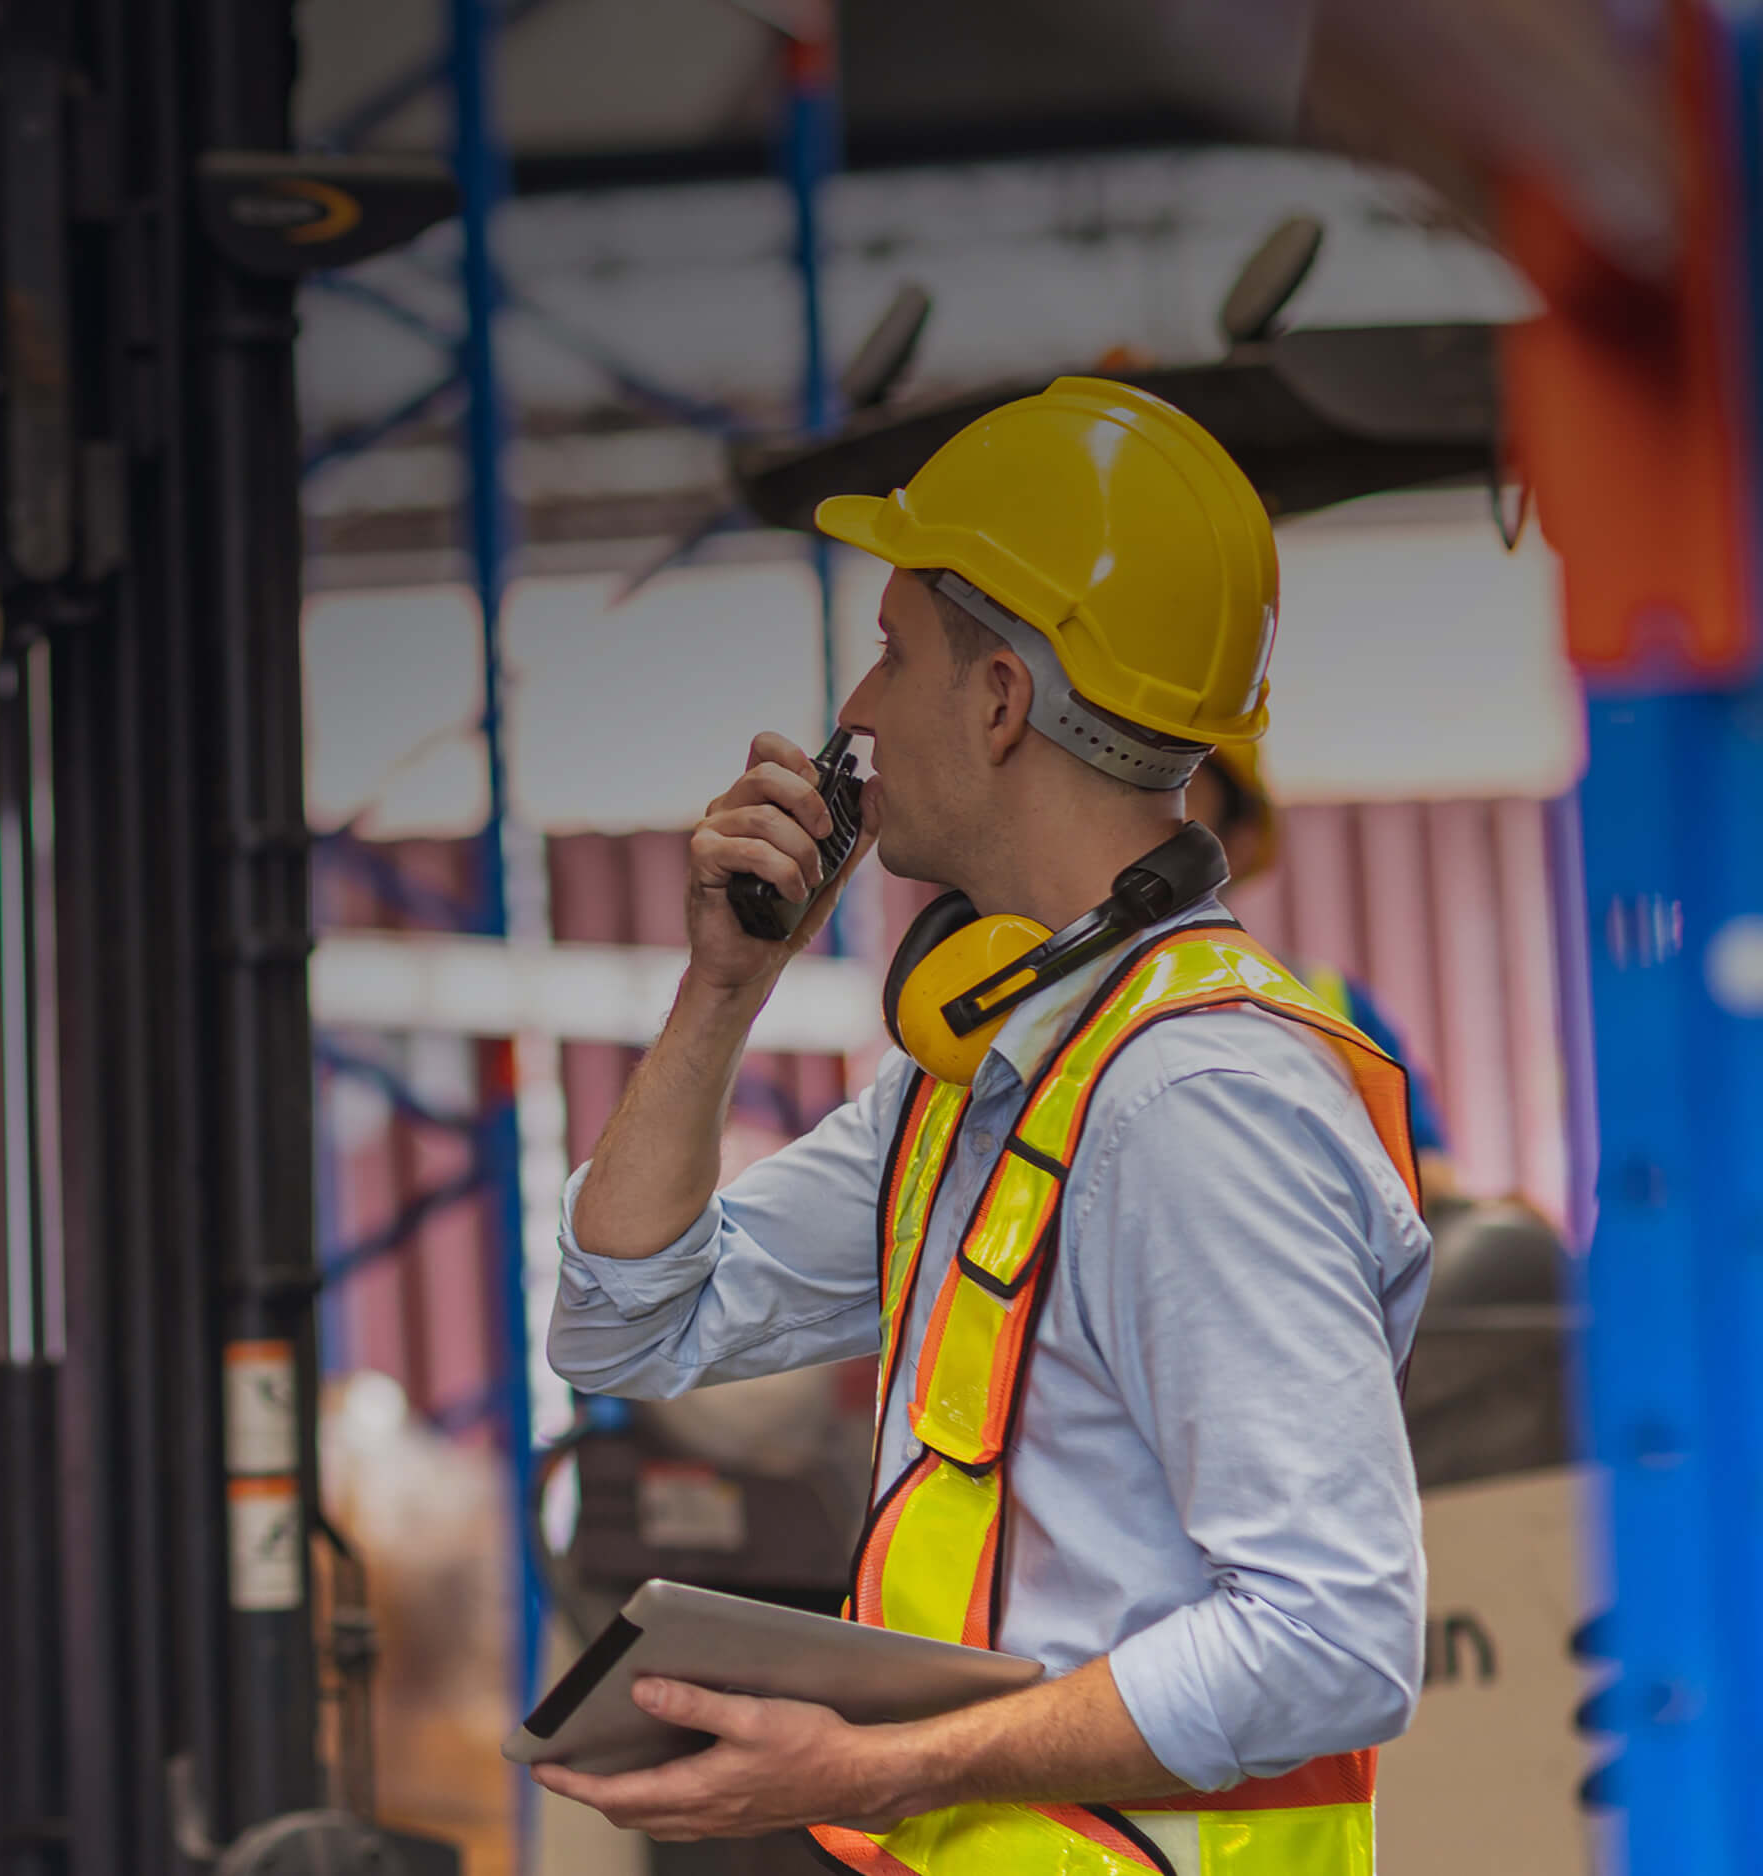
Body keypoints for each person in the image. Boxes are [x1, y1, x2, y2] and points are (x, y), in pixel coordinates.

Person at [534, 379, 1431, 1875]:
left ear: (1003, 697)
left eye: (895, 652)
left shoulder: (1195, 1104)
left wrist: (888, 1762)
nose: (859, 711)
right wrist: (723, 990)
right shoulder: (986, 1076)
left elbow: (1334, 1639)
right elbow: (626, 1322)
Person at [1185, 742, 1462, 1205]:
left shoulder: (1329, 1002)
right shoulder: (1067, 998)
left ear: (1239, 843)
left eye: (1179, 806)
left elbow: (1424, 1171)